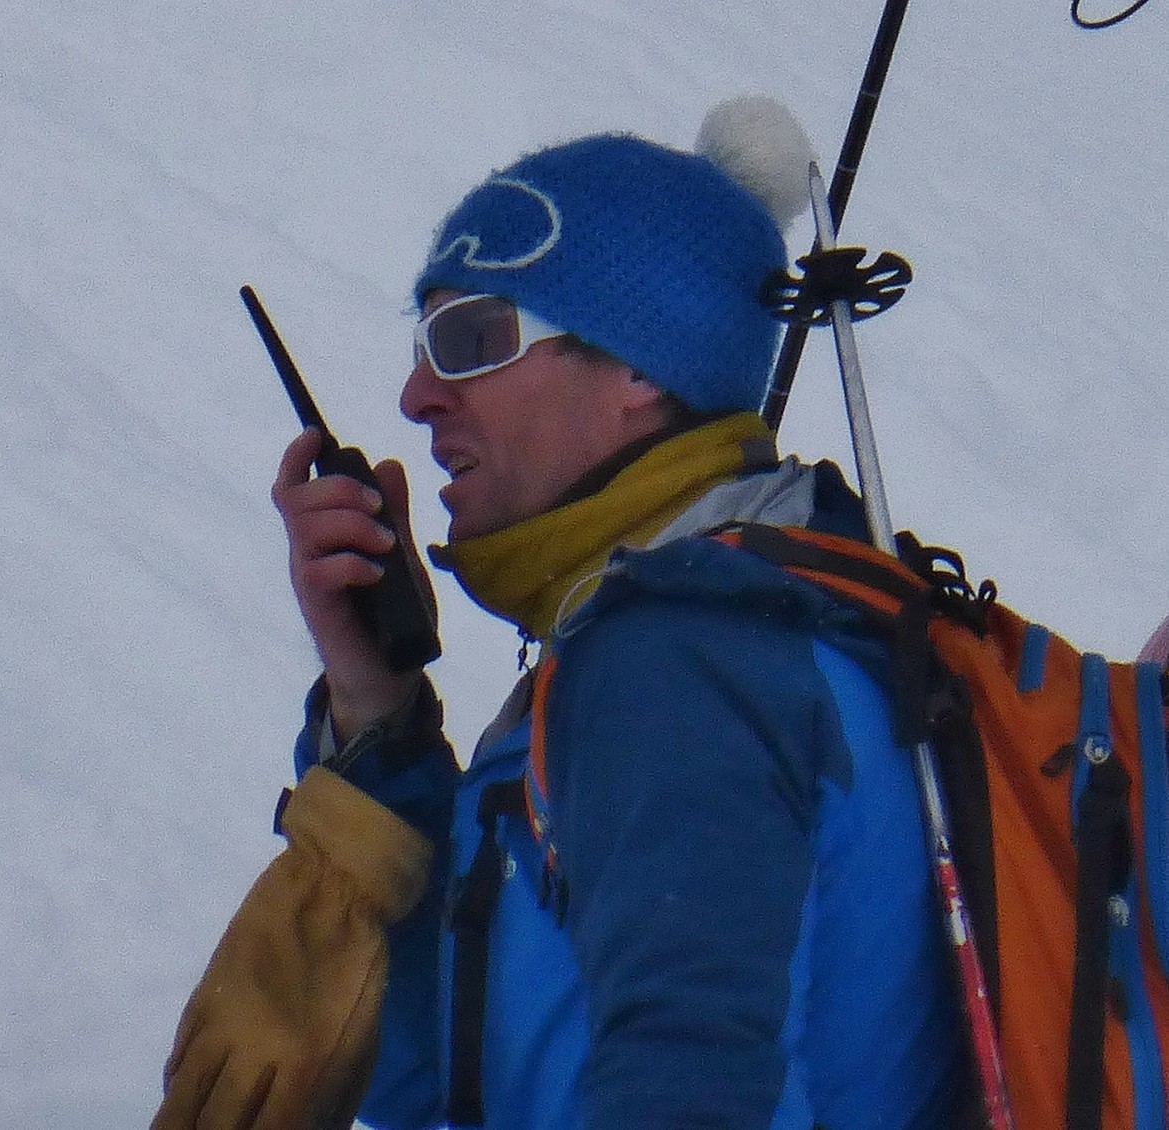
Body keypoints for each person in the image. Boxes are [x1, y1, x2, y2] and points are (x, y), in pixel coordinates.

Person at [153, 98, 968, 1130]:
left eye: (470, 337)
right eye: (423, 343)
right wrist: (377, 712)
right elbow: (474, 1078)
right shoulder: (717, 635)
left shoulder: (683, 659)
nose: (416, 394)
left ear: (639, 367)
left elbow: (688, 1087)